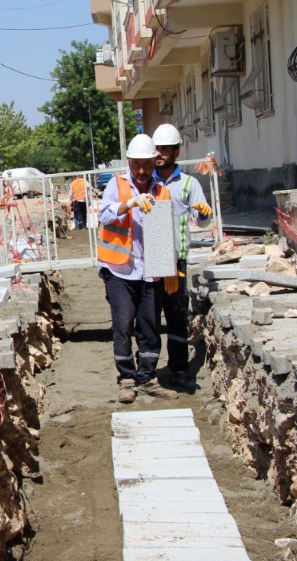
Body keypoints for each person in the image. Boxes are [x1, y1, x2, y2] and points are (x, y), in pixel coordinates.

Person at [97, 134, 176, 403]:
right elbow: (103, 216)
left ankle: (148, 377)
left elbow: (164, 234)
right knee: (122, 325)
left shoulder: (161, 191)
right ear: (129, 162)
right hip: (119, 270)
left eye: (147, 165)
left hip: (149, 271)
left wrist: (169, 270)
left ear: (155, 162)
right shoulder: (117, 186)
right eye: (136, 165)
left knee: (150, 326)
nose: (141, 171)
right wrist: (127, 204)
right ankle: (127, 379)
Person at [151, 123, 214, 384]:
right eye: (157, 149)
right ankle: (148, 370)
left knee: (176, 314)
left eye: (165, 149)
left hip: (177, 257)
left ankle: (178, 367)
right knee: (150, 316)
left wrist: (204, 214)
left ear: (176, 152)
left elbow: (202, 221)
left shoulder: (189, 183)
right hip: (153, 254)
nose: (160, 153)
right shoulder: (146, 181)